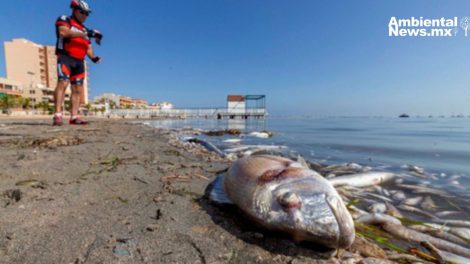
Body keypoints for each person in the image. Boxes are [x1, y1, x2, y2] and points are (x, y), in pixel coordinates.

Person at [53, 0, 103, 125]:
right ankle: (58, 114)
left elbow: (89, 47)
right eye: (82, 12)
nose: (85, 16)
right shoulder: (66, 19)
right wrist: (85, 33)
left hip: (79, 61)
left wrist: (93, 57)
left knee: (77, 89)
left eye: (87, 14)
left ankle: (74, 117)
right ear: (74, 10)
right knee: (62, 83)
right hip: (66, 57)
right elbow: (63, 32)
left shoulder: (85, 29)